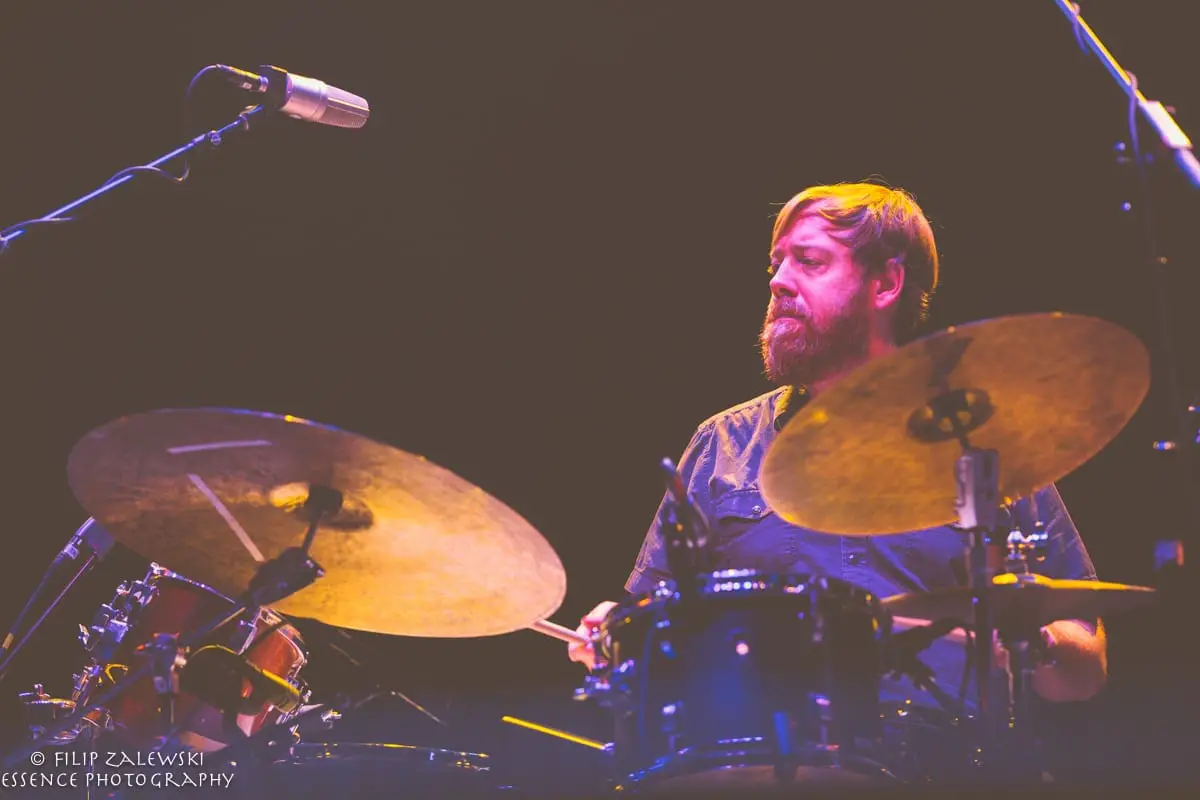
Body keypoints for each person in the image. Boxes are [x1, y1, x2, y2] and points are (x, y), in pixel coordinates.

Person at [567, 182, 1107, 720]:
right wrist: (616, 630)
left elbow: (1087, 666)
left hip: (948, 755)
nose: (779, 281)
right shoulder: (724, 443)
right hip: (771, 752)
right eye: (776, 264)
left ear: (886, 283)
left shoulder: (983, 445)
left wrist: (1026, 641)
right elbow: (650, 620)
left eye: (809, 262)